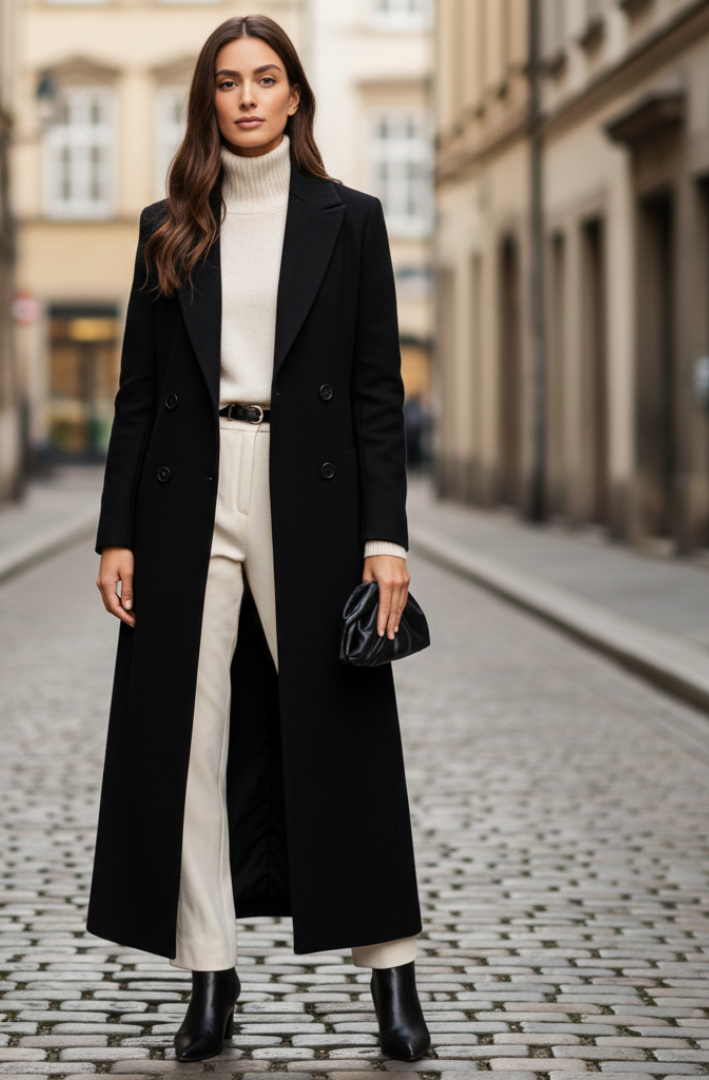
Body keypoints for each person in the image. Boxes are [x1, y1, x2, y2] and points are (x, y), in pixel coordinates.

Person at [89, 14, 430, 1064]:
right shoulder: (167, 224)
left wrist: (387, 539)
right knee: (186, 744)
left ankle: (393, 979)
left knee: (343, 725)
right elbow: (136, 397)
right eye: (228, 81)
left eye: (265, 78)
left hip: (313, 495)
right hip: (187, 498)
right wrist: (116, 533)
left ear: (294, 97)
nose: (245, 97)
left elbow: (378, 394)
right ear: (209, 100)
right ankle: (209, 976)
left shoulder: (351, 220)